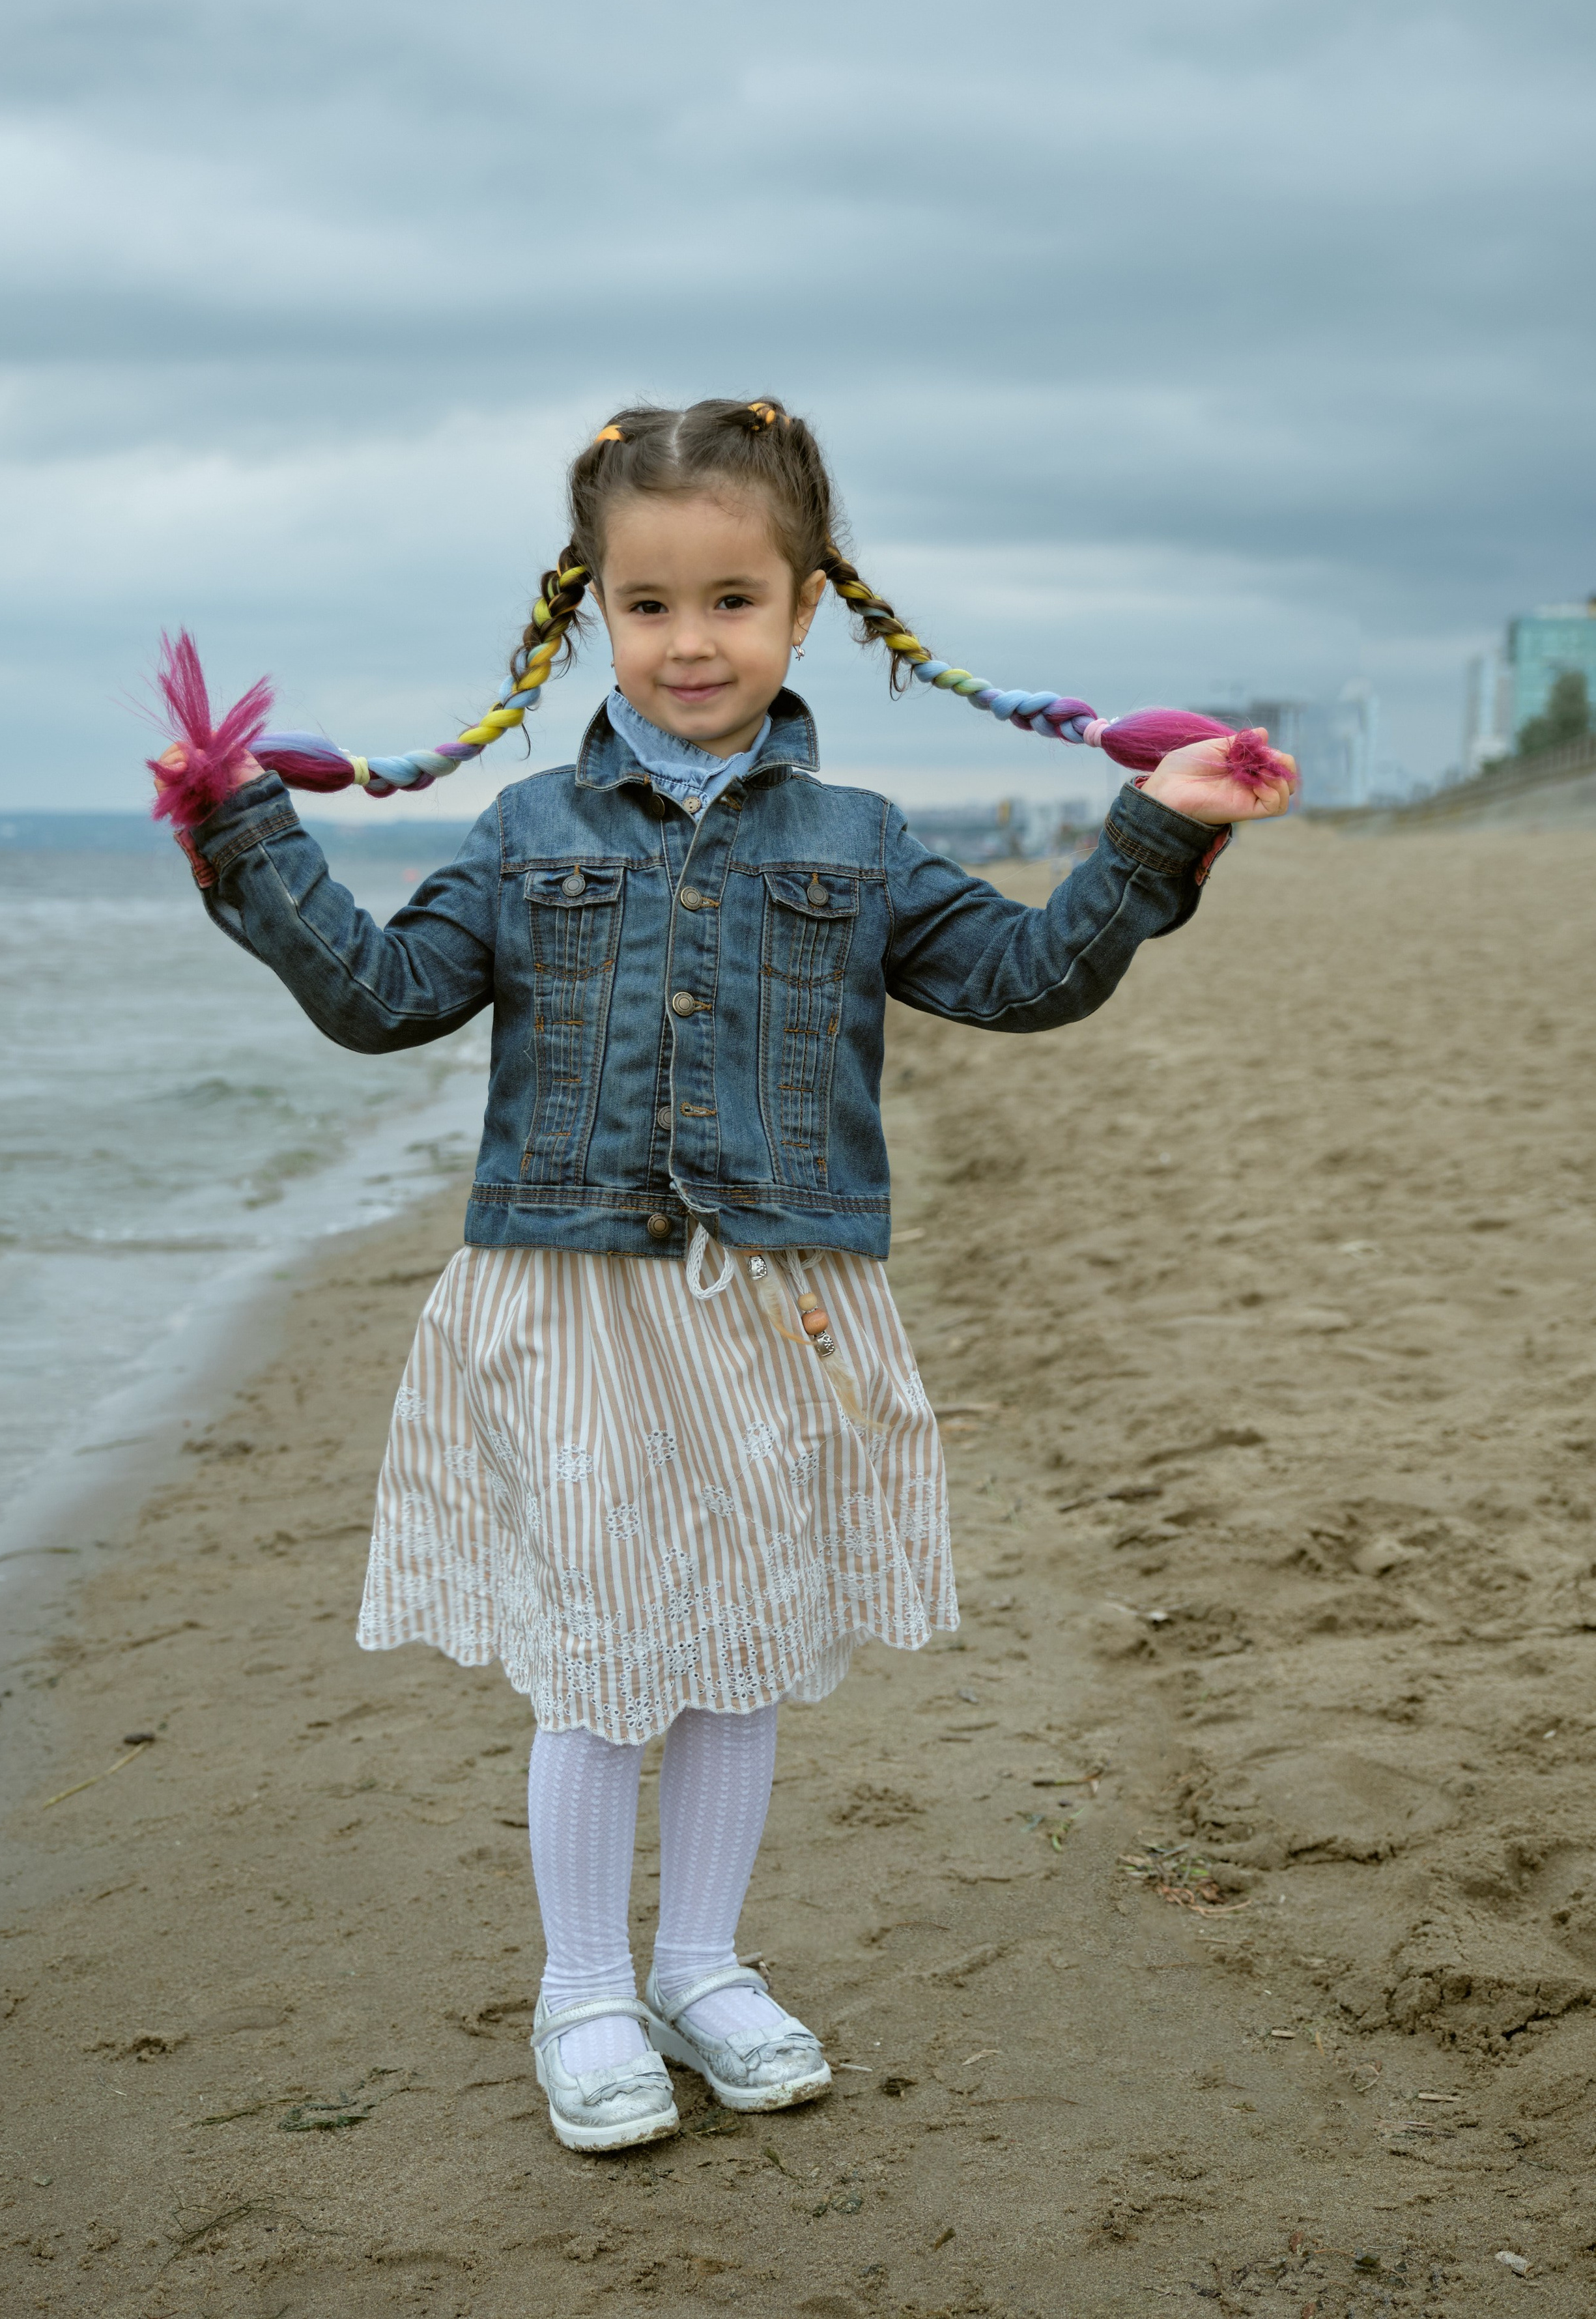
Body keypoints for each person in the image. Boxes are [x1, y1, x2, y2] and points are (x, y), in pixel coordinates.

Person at [153, 396, 1292, 2154]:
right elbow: (382, 998)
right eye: (651, 604)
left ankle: (697, 1964)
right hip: (576, 1299)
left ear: (806, 605)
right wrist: (245, 831)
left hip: (781, 1301)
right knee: (606, 1655)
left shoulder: (859, 837)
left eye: (734, 601)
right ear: (593, 609)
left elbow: (1025, 977)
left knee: (740, 1645)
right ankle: (582, 1993)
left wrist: (1158, 828)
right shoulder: (526, 829)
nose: (693, 642)